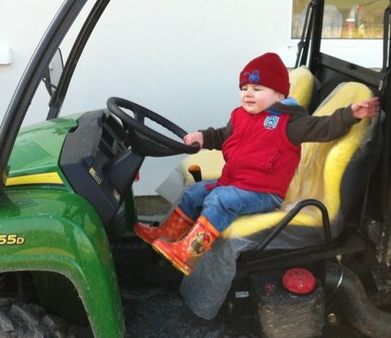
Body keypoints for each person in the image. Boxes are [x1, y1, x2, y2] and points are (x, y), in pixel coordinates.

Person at [134, 52, 379, 294]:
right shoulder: (241, 116)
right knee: (194, 192)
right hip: (235, 182)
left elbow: (322, 128)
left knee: (219, 200)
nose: (248, 93)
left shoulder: (289, 122)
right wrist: (202, 136)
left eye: (258, 88)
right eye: (245, 88)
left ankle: (189, 253)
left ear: (280, 95)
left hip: (263, 193)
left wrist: (349, 115)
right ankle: (167, 234)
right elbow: (223, 135)